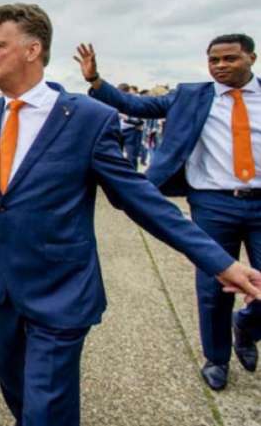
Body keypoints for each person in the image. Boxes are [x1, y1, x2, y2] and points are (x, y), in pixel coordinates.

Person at [0, 4, 261, 426]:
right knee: (18, 395)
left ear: (32, 50)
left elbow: (140, 199)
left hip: (60, 292)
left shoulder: (88, 119)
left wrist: (218, 261)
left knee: (47, 411)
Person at [76, 34, 261, 390]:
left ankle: (248, 326)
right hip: (213, 202)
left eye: (229, 59)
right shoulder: (191, 96)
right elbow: (136, 106)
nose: (220, 66)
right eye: (214, 60)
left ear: (251, 58)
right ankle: (217, 359)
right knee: (212, 285)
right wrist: (96, 82)